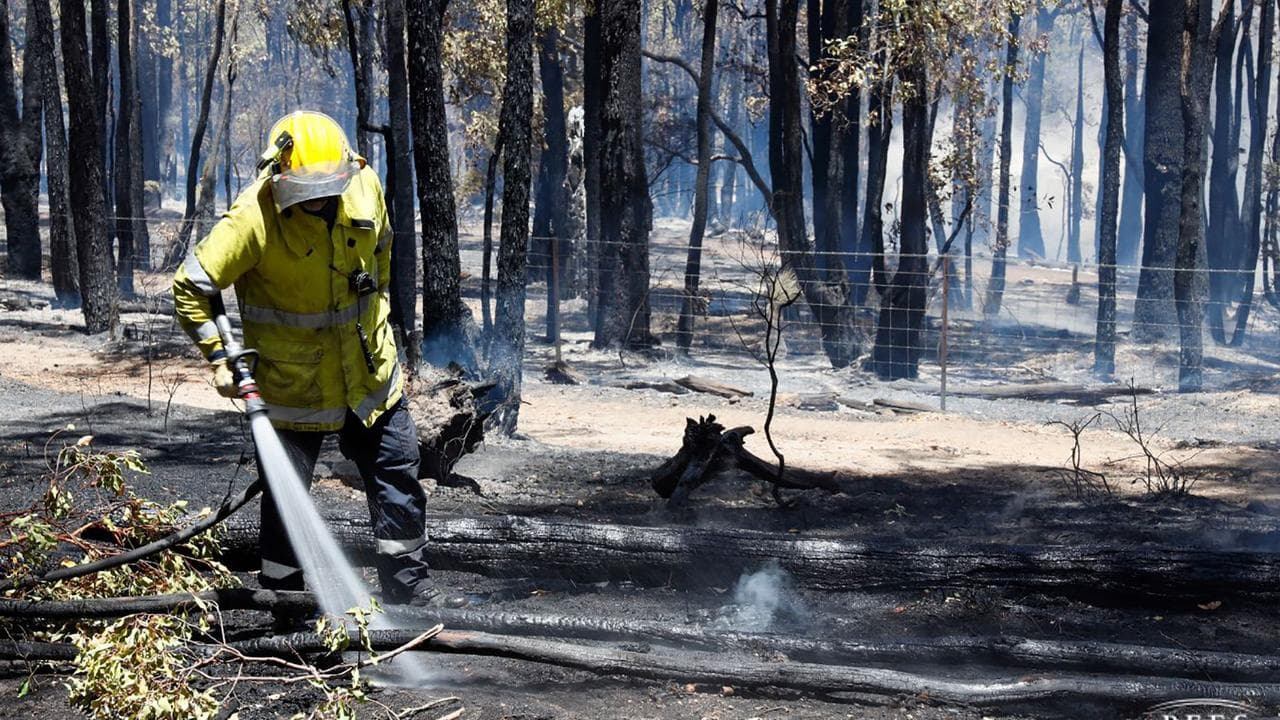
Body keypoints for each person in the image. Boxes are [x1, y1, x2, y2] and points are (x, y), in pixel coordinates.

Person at [172, 110, 458, 612]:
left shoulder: (366, 184)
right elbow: (190, 288)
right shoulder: (252, 218)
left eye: (330, 183)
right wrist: (220, 358)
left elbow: (384, 255)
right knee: (288, 503)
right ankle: (284, 602)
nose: (321, 196)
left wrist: (382, 316)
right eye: (307, 186)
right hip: (291, 389)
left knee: (398, 474)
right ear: (279, 175)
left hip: (368, 374)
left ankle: (408, 590)